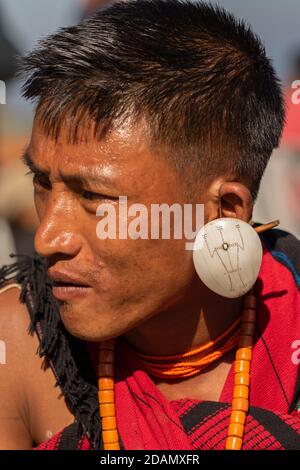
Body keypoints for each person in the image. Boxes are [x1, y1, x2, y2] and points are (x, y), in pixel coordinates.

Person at [0, 0, 299, 450]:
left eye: (95, 198)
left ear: (225, 210)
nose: (47, 239)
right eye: (42, 183)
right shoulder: (20, 347)